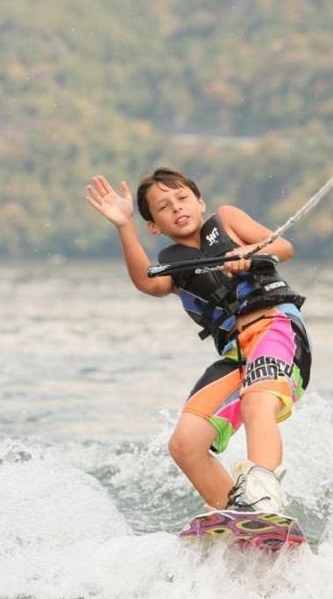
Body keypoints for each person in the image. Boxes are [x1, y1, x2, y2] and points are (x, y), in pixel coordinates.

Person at [85, 167, 311, 513]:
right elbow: (148, 284)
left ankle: (264, 496)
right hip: (237, 354)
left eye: (182, 198)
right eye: (163, 207)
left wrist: (248, 253)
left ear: (200, 201)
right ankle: (238, 516)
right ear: (154, 226)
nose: (176, 207)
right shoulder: (173, 267)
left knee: (256, 403)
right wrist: (123, 225)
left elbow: (284, 246)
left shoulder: (228, 219)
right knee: (185, 444)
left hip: (276, 327)